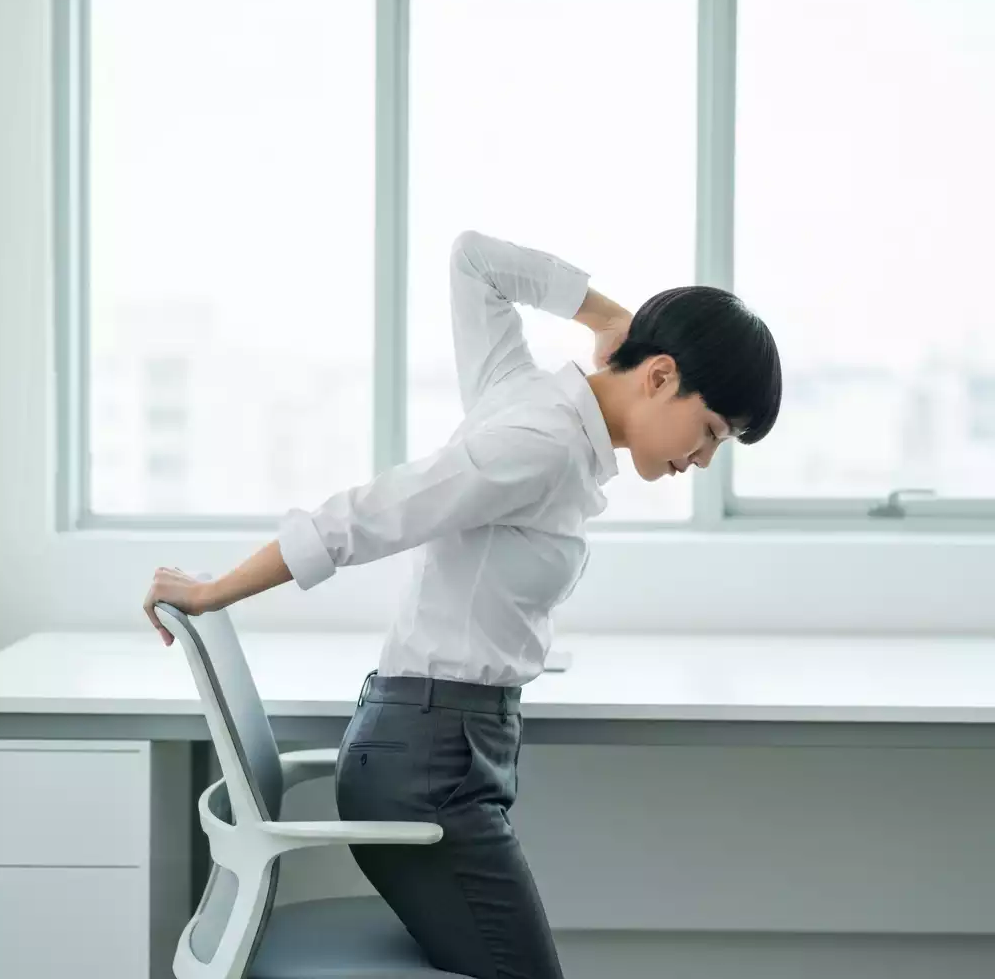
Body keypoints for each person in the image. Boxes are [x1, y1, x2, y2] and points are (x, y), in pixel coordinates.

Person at [143, 230, 782, 979]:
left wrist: (607, 318)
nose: (702, 460)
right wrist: (214, 591)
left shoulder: (524, 396)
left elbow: (475, 264)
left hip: (437, 752)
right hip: (430, 768)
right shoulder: (542, 440)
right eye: (709, 432)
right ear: (661, 375)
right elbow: (368, 516)